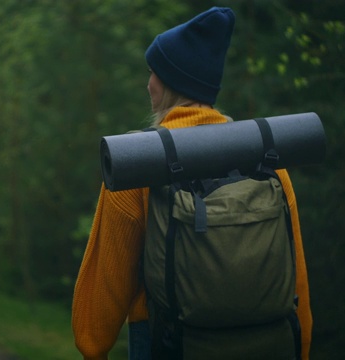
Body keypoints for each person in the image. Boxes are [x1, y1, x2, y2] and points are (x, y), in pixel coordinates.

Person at [72, 6, 312, 360]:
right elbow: (297, 283)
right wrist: (301, 349)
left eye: (152, 72)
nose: (147, 83)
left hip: (163, 341)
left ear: (168, 82)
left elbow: (101, 299)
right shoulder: (268, 161)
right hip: (266, 343)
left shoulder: (139, 165)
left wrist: (92, 348)